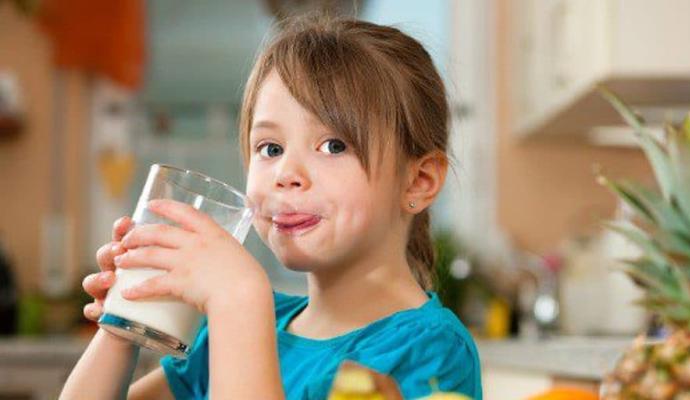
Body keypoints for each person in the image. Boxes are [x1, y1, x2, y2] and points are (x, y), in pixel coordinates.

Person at [60, 14, 482, 400]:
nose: (286, 172)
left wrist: (239, 299)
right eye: (270, 147)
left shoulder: (431, 351)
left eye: (333, 145)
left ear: (419, 181)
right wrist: (122, 327)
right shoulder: (243, 326)